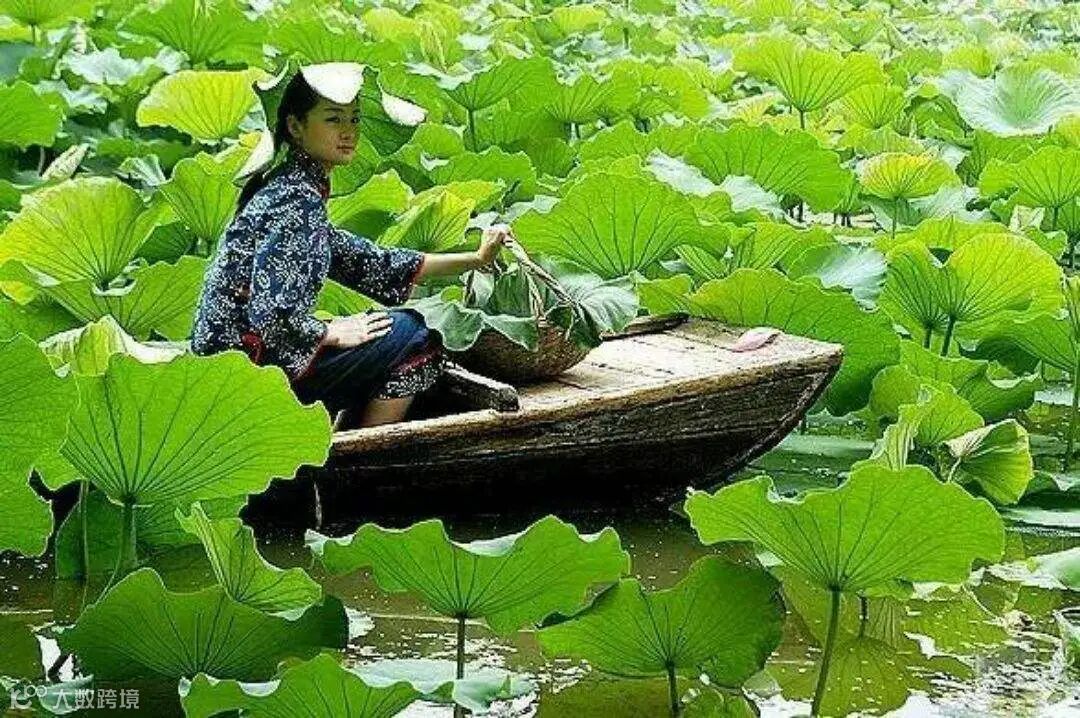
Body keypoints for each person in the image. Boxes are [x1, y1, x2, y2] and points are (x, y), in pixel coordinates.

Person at [191, 65, 509, 427]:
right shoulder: (295, 201)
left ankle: (343, 439)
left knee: (388, 327)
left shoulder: (291, 189)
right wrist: (328, 332)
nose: (349, 132)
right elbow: (271, 314)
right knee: (416, 337)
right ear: (295, 126)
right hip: (248, 368)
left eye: (354, 119)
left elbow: (375, 262)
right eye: (333, 119)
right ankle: (364, 453)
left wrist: (478, 258)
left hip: (237, 361)